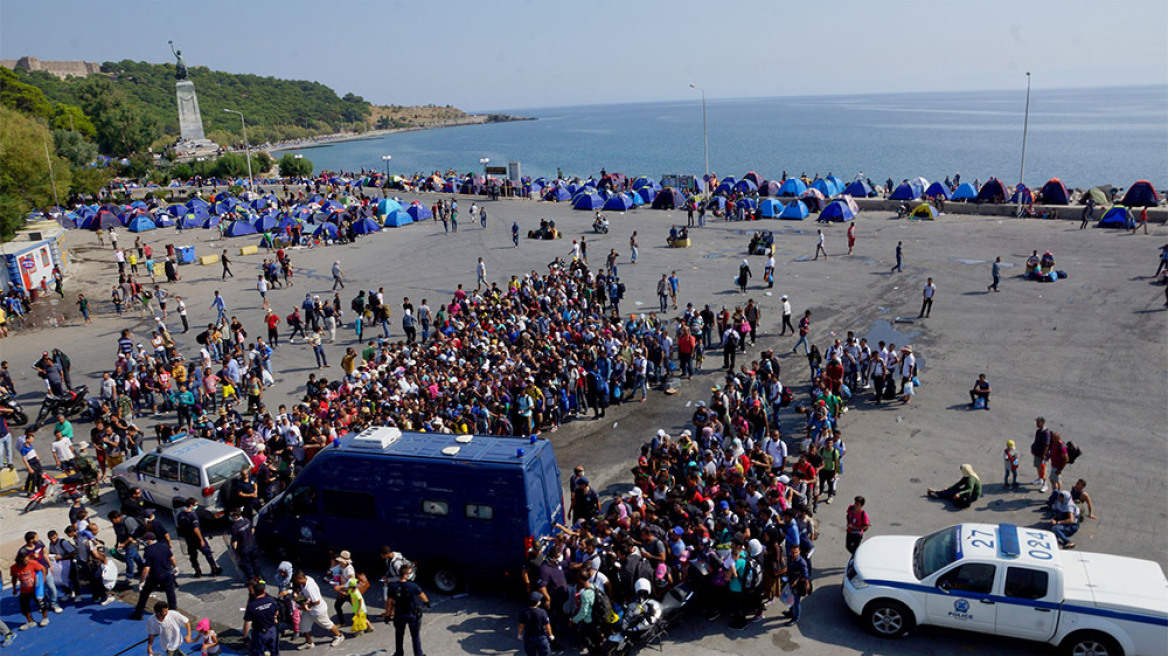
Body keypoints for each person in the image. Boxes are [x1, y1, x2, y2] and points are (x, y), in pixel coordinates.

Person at [131, 532, 178, 620]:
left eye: (144, 541)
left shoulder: (148, 551)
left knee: (144, 594)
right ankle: (173, 611)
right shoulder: (164, 546)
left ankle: (138, 613)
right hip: (168, 573)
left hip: (156, 576)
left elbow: (146, 568)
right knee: (170, 593)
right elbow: (172, 558)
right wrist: (175, 567)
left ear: (149, 541)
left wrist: (142, 581)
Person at [293, 570, 345, 648]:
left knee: (327, 625)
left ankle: (339, 636)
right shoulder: (306, 579)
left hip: (318, 611)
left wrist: (305, 606)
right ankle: (309, 643)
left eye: (296, 580)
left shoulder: (310, 588)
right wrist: (299, 594)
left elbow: (317, 601)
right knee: (304, 626)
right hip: (309, 611)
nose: (295, 582)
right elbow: (303, 592)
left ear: (300, 578)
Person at [386, 563, 428, 656]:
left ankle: (399, 653)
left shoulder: (392, 586)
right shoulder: (413, 586)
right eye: (409, 573)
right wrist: (426, 603)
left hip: (400, 614)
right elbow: (422, 596)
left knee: (399, 635)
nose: (411, 574)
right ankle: (418, 654)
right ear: (406, 575)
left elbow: (389, 602)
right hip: (413, 614)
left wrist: (387, 614)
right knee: (415, 636)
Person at [176, 498, 222, 578]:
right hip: (197, 539)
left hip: (188, 539)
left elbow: (179, 527)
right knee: (207, 552)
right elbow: (196, 529)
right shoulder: (193, 515)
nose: (197, 506)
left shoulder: (180, 515)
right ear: (191, 505)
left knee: (193, 556)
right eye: (196, 504)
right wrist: (201, 540)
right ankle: (214, 569)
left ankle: (198, 572)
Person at [8, 552, 50, 629]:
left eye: (28, 560)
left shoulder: (33, 563)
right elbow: (14, 578)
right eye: (25, 561)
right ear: (20, 562)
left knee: (41, 604)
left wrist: (42, 579)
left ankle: (45, 618)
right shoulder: (14, 568)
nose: (28, 562)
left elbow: (43, 568)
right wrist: (14, 588)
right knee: (24, 608)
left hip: (35, 589)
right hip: (24, 591)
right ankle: (30, 621)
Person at [241, 581, 279, 656]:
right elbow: (277, 611)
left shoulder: (251, 606)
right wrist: (274, 618)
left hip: (259, 633)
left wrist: (245, 637)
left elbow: (247, 624)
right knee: (274, 651)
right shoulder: (271, 601)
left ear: (254, 592)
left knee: (258, 652)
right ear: (264, 590)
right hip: (272, 630)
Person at [229, 508, 262, 583]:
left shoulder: (234, 527)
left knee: (246, 564)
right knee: (255, 561)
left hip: (244, 548)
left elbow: (235, 543)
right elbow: (252, 530)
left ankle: (251, 579)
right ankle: (258, 575)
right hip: (252, 544)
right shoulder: (246, 520)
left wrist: (234, 551)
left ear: (235, 517)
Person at [518, 591, 554, 656]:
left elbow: (521, 625)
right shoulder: (542, 612)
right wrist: (550, 635)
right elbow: (547, 625)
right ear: (538, 602)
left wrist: (519, 634)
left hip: (529, 637)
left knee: (530, 654)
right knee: (544, 653)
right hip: (541, 637)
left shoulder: (524, 612)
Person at [781, 545, 810, 625]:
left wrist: (796, 581)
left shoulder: (802, 562)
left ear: (799, 551)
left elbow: (805, 576)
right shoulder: (790, 558)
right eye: (793, 552)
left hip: (798, 586)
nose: (794, 554)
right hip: (790, 582)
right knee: (790, 598)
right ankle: (791, 612)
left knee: (796, 602)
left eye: (796, 552)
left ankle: (795, 618)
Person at [1031, 417, 1052, 493]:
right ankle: (1040, 479)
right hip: (1037, 453)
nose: (1036, 424)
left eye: (1038, 422)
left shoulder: (1046, 433)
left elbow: (1046, 445)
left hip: (1042, 455)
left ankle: (1045, 484)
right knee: (1037, 466)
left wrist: (1044, 455)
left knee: (1043, 469)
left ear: (1043, 423)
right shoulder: (1038, 431)